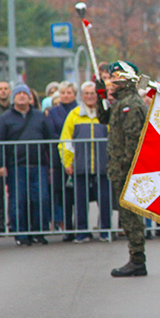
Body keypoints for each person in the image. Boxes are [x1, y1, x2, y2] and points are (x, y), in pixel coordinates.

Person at [0, 84, 55, 246]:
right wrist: (0, 165)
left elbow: (50, 140)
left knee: (41, 199)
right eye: (18, 93)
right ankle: (20, 234)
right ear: (14, 98)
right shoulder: (5, 118)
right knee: (18, 201)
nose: (21, 96)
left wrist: (52, 163)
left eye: (24, 94)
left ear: (30, 97)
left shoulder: (39, 116)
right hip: (16, 166)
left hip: (38, 164)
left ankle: (39, 232)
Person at [108, 61, 148, 277]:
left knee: (130, 216)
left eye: (117, 76)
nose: (113, 80)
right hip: (120, 167)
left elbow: (133, 140)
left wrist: (126, 166)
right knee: (126, 216)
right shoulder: (121, 102)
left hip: (126, 169)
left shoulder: (131, 104)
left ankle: (137, 259)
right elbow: (103, 118)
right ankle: (135, 258)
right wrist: (99, 96)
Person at [60, 81, 111, 243]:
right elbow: (65, 141)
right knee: (80, 200)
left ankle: (105, 231)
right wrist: (68, 163)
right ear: (82, 96)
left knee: (104, 200)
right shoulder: (74, 115)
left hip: (103, 164)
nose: (90, 97)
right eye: (86, 94)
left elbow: (114, 139)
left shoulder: (105, 114)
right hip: (80, 165)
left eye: (93, 93)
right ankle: (82, 231)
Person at [48, 81, 78, 239]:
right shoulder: (53, 112)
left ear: (74, 94)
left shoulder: (79, 110)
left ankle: (81, 225)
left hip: (79, 156)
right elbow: (51, 132)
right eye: (63, 93)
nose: (66, 96)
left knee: (80, 193)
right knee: (64, 195)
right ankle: (67, 227)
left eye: (69, 93)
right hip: (60, 157)